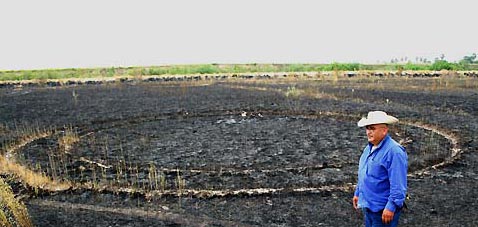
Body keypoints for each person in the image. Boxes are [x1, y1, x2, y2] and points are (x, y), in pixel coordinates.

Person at [353, 111, 408, 226]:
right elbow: (364, 172)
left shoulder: (394, 152)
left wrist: (391, 207)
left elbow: (398, 184)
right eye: (367, 128)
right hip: (369, 207)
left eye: (372, 128)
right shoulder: (368, 149)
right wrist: (358, 193)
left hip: (383, 211)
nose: (368, 132)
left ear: (384, 130)